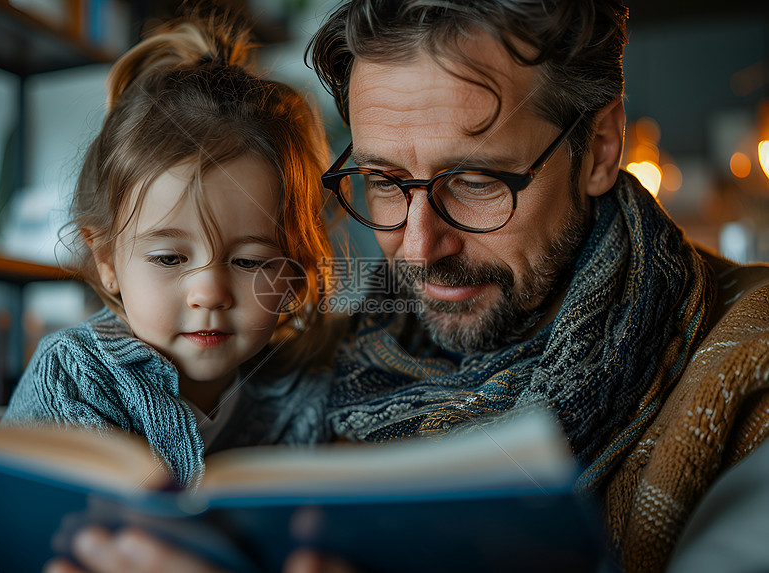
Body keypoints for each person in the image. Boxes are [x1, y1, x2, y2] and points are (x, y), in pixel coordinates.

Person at [46, 1, 769, 572]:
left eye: (477, 180)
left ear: (600, 149)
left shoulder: (746, 372)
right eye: (385, 182)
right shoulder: (342, 359)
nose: (418, 249)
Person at [0, 11, 335, 488]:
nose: (210, 293)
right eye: (169, 259)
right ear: (106, 260)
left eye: (249, 261)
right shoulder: (75, 377)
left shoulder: (302, 386)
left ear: (295, 274)